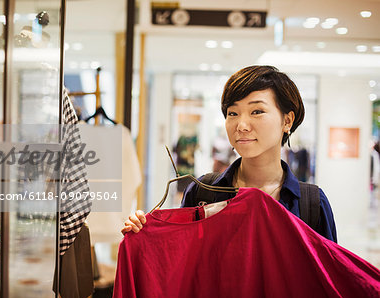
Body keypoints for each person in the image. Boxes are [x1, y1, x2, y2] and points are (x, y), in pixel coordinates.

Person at [121, 65, 337, 243]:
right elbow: (178, 261)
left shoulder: (311, 205)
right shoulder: (202, 194)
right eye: (232, 113)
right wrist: (145, 233)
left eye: (257, 112)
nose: (241, 125)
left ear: (287, 120)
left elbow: (331, 280)